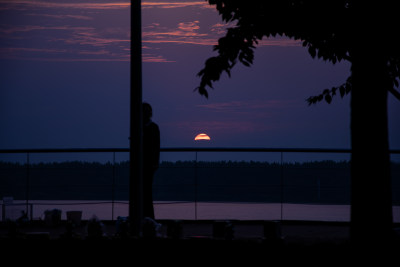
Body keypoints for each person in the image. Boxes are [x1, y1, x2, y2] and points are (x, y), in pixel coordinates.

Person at [142, 102, 160, 220]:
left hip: (148, 165)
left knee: (146, 192)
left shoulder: (152, 128)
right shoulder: (149, 127)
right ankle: (147, 218)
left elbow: (156, 146)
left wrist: (154, 163)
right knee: (145, 192)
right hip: (143, 164)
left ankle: (148, 218)